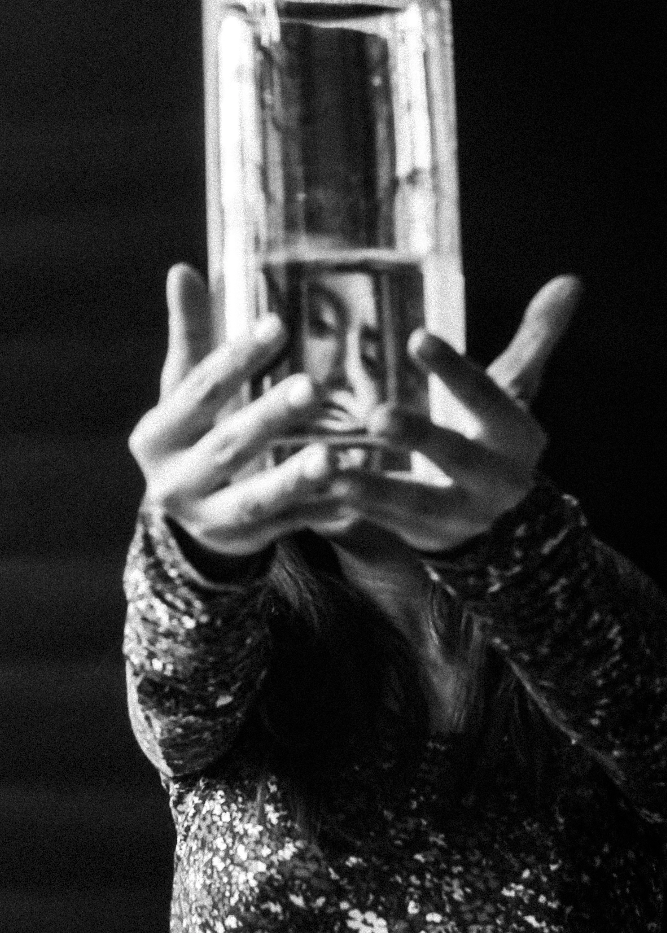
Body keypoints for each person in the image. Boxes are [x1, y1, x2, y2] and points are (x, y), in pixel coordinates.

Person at [123, 262, 667, 932]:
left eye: (378, 356)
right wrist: (195, 551)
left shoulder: (588, 617)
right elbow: (174, 698)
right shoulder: (231, 641)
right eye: (308, 366)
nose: (344, 401)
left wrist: (510, 544)